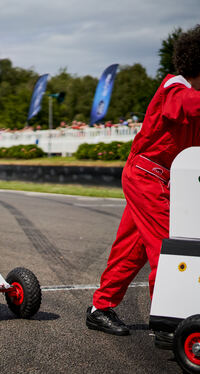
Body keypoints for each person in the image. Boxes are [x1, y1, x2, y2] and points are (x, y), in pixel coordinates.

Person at [86, 25, 200, 339]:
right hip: (146, 176)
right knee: (168, 247)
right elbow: (190, 106)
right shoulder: (174, 88)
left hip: (162, 181)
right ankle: (169, 320)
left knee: (131, 248)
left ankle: (100, 308)